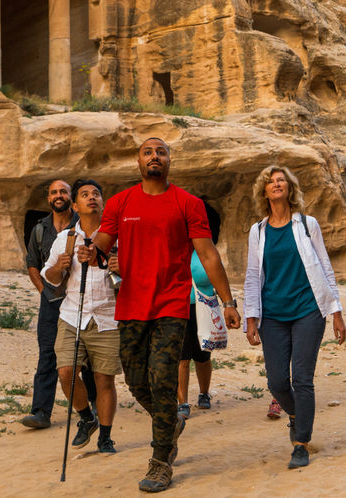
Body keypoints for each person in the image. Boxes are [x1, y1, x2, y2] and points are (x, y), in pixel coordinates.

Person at [78, 137, 241, 493]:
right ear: (138, 161)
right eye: (147, 152)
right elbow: (103, 245)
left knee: (163, 380)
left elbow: (208, 255)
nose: (155, 156)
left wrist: (228, 301)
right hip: (131, 306)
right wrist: (89, 253)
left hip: (171, 306)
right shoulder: (121, 202)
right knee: (137, 382)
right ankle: (169, 423)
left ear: (169, 161)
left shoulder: (188, 203)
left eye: (161, 152)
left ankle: (160, 461)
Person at [243, 165, 346, 470]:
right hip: (272, 314)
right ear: (265, 191)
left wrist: (336, 312)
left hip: (308, 310)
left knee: (302, 379)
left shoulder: (306, 224)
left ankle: (300, 442)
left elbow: (325, 267)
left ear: (289, 189)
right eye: (271, 182)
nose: (277, 184)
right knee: (276, 382)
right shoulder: (258, 231)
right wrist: (251, 318)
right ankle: (295, 414)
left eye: (281, 181)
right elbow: (252, 275)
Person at [41, 179, 120, 454]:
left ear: (102, 201)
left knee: (104, 379)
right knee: (66, 372)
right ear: (75, 205)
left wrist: (120, 266)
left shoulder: (117, 237)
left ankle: (106, 437)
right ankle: (87, 418)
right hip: (73, 314)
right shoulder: (65, 239)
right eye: (85, 195)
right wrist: (59, 267)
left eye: (96, 194)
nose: (92, 198)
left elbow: (129, 278)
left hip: (108, 317)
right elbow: (49, 277)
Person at [21, 179, 82, 429]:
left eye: (63, 192)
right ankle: (41, 412)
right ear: (48, 199)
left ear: (71, 197)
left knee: (83, 355)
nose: (59, 196)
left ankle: (92, 408)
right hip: (51, 302)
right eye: (54, 192)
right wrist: (43, 290)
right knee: (47, 353)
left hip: (81, 301)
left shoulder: (84, 225)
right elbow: (32, 263)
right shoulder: (40, 229)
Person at [177, 202, 222, 419]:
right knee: (181, 358)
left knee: (202, 356)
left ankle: (204, 393)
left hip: (203, 307)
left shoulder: (207, 248)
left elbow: (213, 276)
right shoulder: (176, 247)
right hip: (179, 307)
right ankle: (182, 402)